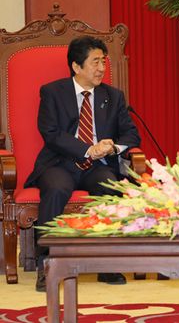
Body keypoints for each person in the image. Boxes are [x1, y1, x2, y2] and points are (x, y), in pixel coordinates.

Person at [27, 36, 141, 292]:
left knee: (111, 186)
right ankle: (47, 264)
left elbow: (131, 135)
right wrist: (87, 148)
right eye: (95, 62)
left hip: (97, 167)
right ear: (76, 67)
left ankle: (107, 263)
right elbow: (51, 133)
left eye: (103, 61)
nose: (101, 68)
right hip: (60, 163)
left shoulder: (113, 96)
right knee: (56, 189)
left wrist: (111, 147)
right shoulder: (52, 92)